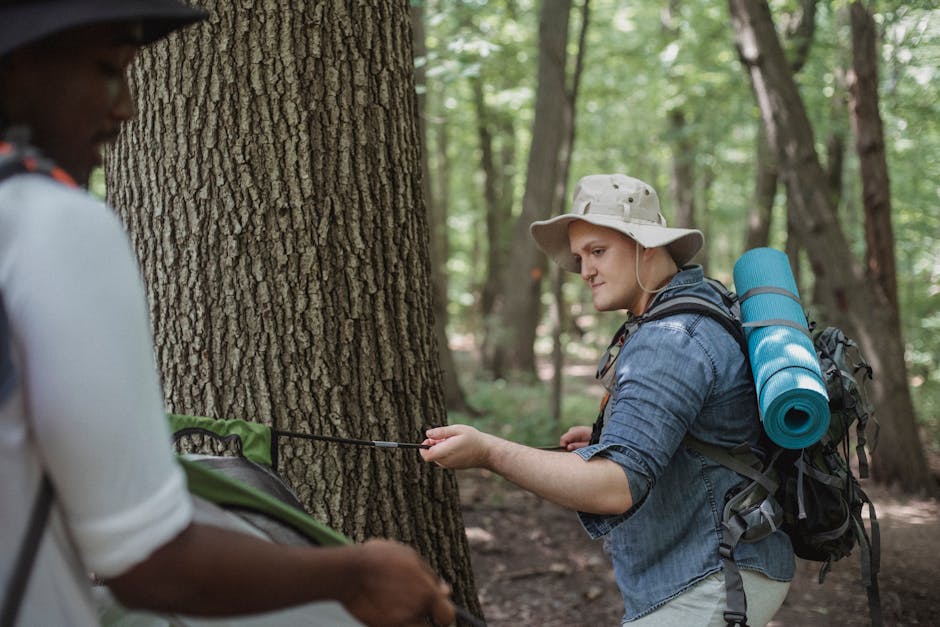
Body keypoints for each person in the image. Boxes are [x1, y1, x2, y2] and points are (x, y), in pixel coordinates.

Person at [0, 2, 454, 626]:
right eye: (107, 69)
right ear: (17, 62)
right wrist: (361, 571)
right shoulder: (48, 222)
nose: (125, 107)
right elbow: (151, 563)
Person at [421, 174, 795, 626]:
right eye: (580, 258)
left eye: (598, 251)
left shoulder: (670, 338)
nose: (586, 270)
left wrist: (489, 452)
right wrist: (611, 435)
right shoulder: (690, 307)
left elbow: (614, 487)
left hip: (708, 580)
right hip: (725, 567)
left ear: (648, 246)